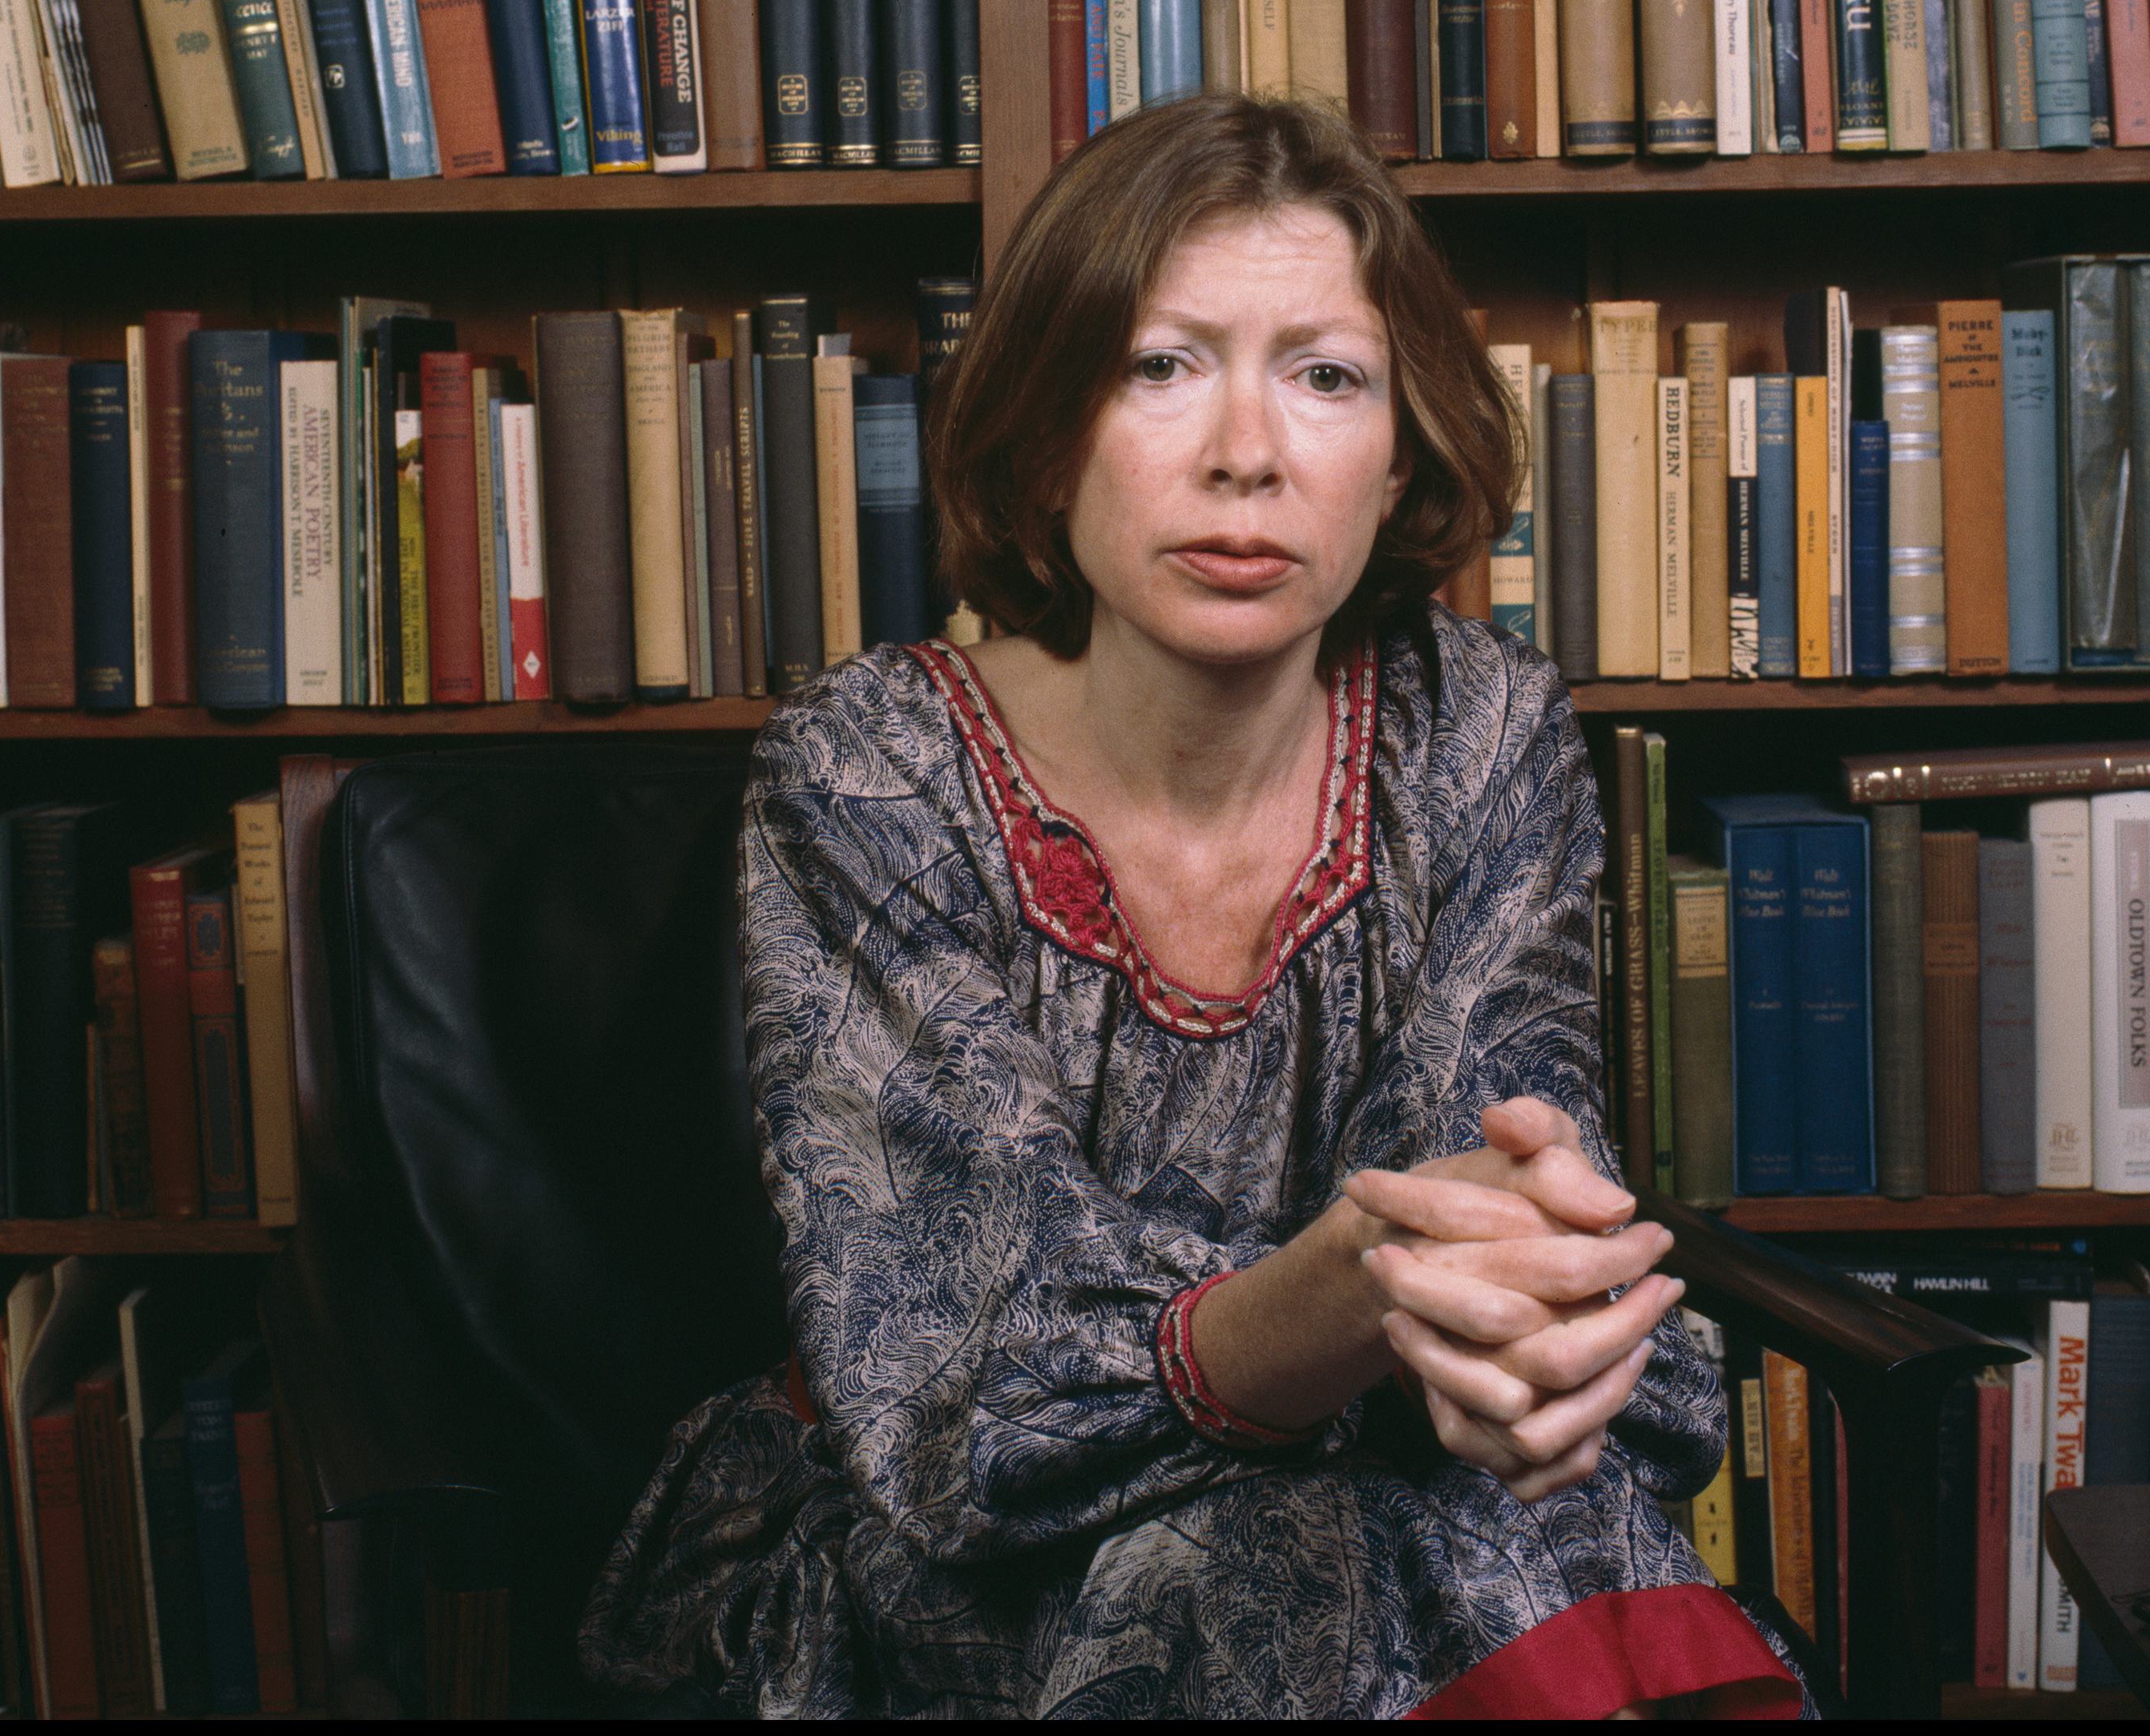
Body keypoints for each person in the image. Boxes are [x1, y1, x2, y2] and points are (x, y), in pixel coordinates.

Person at [576, 95, 1805, 1717]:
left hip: (1385, 1503)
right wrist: (1366, 1283)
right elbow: (976, 1384)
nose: (1247, 450)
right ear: (1042, 424)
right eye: (1162, 365)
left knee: (1412, 1531)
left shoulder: (1483, 727)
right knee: (1267, 1565)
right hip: (945, 1546)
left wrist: (1518, 1323)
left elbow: (1493, 1201)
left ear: (1399, 447)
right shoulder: (867, 763)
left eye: (1325, 375)